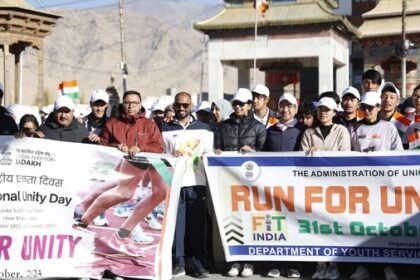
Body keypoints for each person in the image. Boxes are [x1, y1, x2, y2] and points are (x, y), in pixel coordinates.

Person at [75, 90, 167, 256]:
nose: (131, 105)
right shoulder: (112, 123)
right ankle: (84, 220)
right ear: (122, 104)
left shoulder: (149, 124)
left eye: (134, 103)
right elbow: (102, 144)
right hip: (126, 167)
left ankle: (121, 233)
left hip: (149, 166)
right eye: (127, 102)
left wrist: (142, 148)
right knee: (124, 193)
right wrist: (116, 146)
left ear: (140, 105)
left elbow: (159, 148)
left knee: (161, 192)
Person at [214, 88, 266, 278]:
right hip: (228, 183)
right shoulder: (222, 126)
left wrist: (254, 151)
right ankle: (235, 259)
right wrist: (216, 152)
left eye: (241, 104)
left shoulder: (259, 127)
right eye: (235, 103)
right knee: (232, 220)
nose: (237, 106)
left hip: (251, 183)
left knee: (251, 220)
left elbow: (266, 154)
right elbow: (216, 148)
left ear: (249, 106)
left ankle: (249, 261)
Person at [349, 91, 402, 280]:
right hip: (361, 188)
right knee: (362, 227)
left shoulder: (389, 128)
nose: (367, 111)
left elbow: (400, 156)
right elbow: (346, 157)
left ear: (378, 108)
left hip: (383, 186)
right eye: (363, 107)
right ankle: (363, 267)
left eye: (370, 107)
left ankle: (388, 267)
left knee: (384, 226)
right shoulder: (353, 128)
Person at [162, 92, 212, 278]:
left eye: (185, 105)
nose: (181, 108)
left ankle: (198, 262)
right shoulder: (165, 129)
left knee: (197, 225)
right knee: (177, 225)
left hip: (197, 182)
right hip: (174, 183)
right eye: (178, 105)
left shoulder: (204, 129)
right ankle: (178, 262)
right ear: (174, 106)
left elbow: (210, 154)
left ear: (191, 105)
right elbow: (161, 156)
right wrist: (169, 160)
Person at [300, 97, 351, 280]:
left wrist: (321, 155)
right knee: (317, 227)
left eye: (327, 109)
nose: (323, 112)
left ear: (334, 112)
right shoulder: (309, 133)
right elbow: (302, 159)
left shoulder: (341, 131)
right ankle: (320, 265)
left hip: (336, 187)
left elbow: (344, 157)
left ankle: (334, 266)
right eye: (321, 109)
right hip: (314, 188)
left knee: (334, 227)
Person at [263, 93, 303, 278]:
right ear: (278, 108)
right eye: (282, 106)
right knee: (276, 225)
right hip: (274, 187)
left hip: (295, 187)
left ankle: (293, 265)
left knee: (294, 225)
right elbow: (262, 156)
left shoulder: (302, 130)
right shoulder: (270, 130)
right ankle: (276, 264)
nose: (285, 110)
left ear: (295, 109)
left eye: (290, 106)